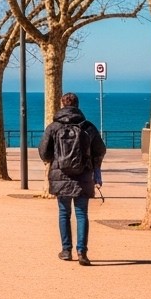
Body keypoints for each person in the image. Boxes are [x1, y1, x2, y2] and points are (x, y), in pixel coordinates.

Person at [38, 92, 107, 266]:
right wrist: (93, 164)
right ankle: (82, 251)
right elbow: (100, 150)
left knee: (64, 213)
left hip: (60, 175)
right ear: (77, 105)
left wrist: (56, 160)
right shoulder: (88, 127)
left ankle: (66, 250)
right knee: (82, 214)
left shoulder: (53, 127)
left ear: (62, 105)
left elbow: (44, 153)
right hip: (83, 175)